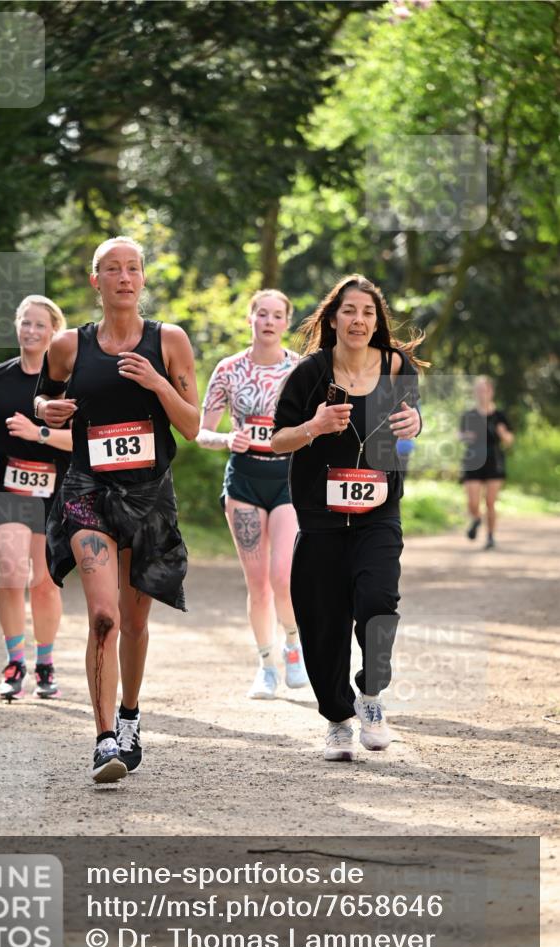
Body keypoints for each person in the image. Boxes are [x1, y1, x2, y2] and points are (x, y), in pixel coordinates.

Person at [35, 236, 199, 783]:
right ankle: (104, 738)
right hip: (86, 491)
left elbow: (194, 426)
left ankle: (130, 715)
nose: (124, 278)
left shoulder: (168, 340)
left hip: (149, 494)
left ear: (143, 279)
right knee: (103, 616)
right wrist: (48, 409)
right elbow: (44, 398)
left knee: (133, 621)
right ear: (96, 281)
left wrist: (156, 382)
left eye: (133, 268)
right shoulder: (67, 345)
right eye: (113, 269)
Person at [271, 274, 426, 762]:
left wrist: (415, 424)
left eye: (368, 312)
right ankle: (338, 719)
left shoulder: (397, 366)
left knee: (379, 602)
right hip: (320, 517)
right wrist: (313, 427)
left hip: (379, 512)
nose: (359, 320)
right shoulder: (310, 374)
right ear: (333, 319)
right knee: (323, 623)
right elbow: (277, 441)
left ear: (377, 321)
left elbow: (410, 422)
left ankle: (372, 696)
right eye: (349, 311)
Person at [197, 289, 309, 698]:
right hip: (243, 482)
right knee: (258, 581)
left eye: (277, 315)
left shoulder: (300, 369)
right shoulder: (228, 370)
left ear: (286, 323)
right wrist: (227, 438)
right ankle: (266, 665)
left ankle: (293, 647)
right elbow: (201, 431)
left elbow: (316, 423)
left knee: (283, 575)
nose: (269, 321)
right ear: (250, 319)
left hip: (287, 481)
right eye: (262, 313)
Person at [0, 295, 72, 701]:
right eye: (25, 323)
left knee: (44, 583)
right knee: (11, 571)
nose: (31, 331)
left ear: (53, 332)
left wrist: (38, 434)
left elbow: (79, 440)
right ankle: (14, 662)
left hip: (53, 492)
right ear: (17, 326)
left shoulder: (67, 381)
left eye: (40, 325)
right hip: (6, 489)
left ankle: (45, 663)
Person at [459, 376, 514, 550]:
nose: (482, 393)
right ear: (475, 393)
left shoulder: (500, 415)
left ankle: (490, 536)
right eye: (479, 390)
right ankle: (476, 518)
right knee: (473, 502)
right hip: (473, 460)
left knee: (490, 502)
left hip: (494, 461)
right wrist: (466, 436)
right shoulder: (469, 414)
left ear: (491, 392)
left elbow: (509, 440)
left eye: (485, 390)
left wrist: (503, 433)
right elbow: (459, 435)